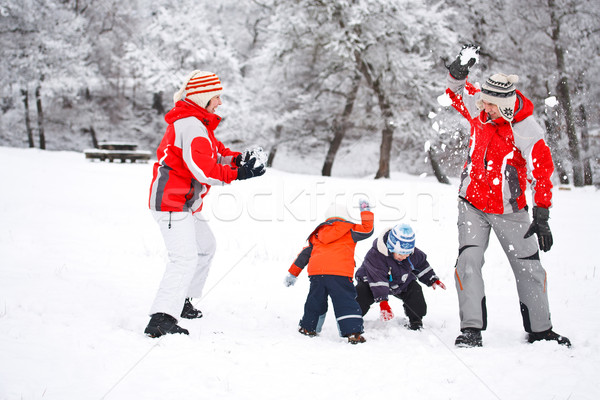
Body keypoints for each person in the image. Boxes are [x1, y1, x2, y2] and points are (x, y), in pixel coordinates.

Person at [444, 45, 570, 347]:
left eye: (489, 105)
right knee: (468, 263)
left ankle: (541, 329)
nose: (482, 109)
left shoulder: (526, 128)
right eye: (482, 103)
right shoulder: (480, 108)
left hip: (510, 210)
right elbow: (455, 91)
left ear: (507, 106)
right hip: (471, 204)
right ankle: (471, 329)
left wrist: (542, 212)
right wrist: (457, 71)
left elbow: (542, 171)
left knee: (530, 267)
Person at [145, 70, 266, 338]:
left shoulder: (198, 124)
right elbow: (205, 170)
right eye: (216, 97)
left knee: (205, 247)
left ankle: (183, 300)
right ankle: (161, 318)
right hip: (170, 201)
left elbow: (217, 153)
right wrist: (241, 173)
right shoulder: (190, 125)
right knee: (184, 257)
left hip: (186, 202)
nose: (220, 102)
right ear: (202, 97)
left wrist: (241, 159)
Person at [284, 199, 374, 344]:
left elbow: (305, 254)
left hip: (317, 273)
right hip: (339, 273)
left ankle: (308, 327)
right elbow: (368, 229)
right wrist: (366, 211)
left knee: (315, 300)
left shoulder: (318, 234)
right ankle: (352, 333)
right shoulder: (349, 229)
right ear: (345, 217)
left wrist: (293, 273)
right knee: (345, 301)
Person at [355, 224, 445, 330]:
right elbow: (378, 279)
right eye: (400, 254)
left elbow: (421, 264)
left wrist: (432, 279)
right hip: (371, 282)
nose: (403, 257)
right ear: (391, 247)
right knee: (361, 293)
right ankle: (352, 318)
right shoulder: (376, 255)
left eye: (407, 254)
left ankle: (416, 321)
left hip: (399, 281)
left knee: (415, 290)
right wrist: (383, 302)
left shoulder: (412, 254)